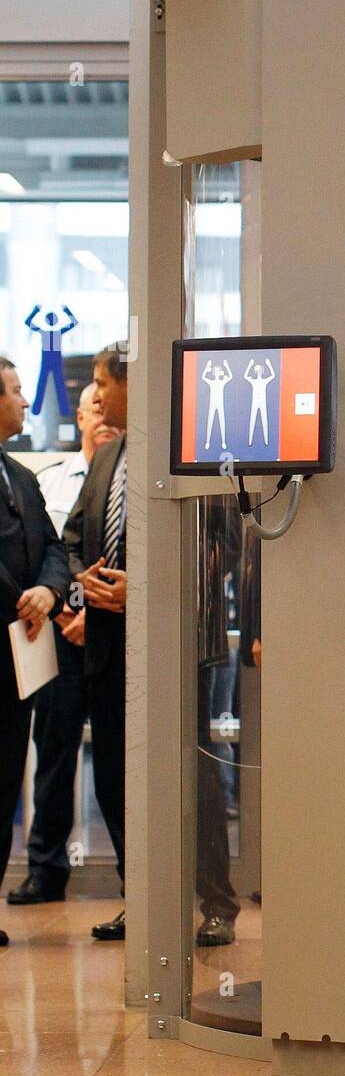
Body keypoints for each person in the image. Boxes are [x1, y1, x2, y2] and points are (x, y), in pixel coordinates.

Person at [7, 383, 121, 906]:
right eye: (93, 407)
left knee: (120, 763)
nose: (103, 415)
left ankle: (134, 876)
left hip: (103, 634)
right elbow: (61, 548)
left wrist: (79, 604)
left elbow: (59, 552)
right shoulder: (44, 480)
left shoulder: (131, 476)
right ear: (78, 416)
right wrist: (66, 603)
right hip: (51, 635)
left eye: (107, 404)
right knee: (53, 754)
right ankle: (46, 867)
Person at [0, 358, 71, 948]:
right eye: (17, 391)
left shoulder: (19, 474)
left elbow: (53, 544)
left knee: (5, 785)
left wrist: (47, 590)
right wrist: (21, 601)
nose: (25, 402)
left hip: (18, 666)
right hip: (12, 632)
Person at [62, 347, 129, 941]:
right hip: (106, 650)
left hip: (165, 653)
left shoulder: (176, 459)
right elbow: (73, 535)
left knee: (177, 780)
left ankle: (197, 902)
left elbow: (215, 551)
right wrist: (85, 578)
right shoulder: (106, 456)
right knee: (113, 774)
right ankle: (142, 897)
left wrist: (143, 590)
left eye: (104, 383)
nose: (97, 396)